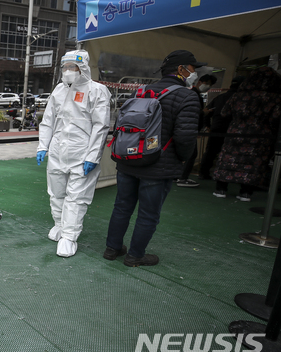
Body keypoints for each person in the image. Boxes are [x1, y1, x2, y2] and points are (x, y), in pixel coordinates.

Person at [104, 50, 202, 267]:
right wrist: (183, 160)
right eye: (193, 68)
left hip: (127, 160)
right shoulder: (187, 96)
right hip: (159, 167)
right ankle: (135, 256)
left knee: (122, 206)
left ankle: (112, 249)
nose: (195, 73)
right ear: (181, 70)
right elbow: (185, 138)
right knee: (148, 214)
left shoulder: (140, 92)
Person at [36, 50, 111, 258]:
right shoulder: (58, 91)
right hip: (58, 152)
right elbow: (48, 121)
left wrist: (93, 156)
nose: (68, 71)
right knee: (56, 192)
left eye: (73, 67)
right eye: (65, 67)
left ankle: (69, 236)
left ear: (83, 68)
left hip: (82, 154)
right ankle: (59, 224)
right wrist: (43, 146)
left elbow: (101, 126)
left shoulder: (97, 91)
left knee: (76, 197)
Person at [213, 67, 281, 201]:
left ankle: (221, 188)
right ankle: (246, 192)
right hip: (260, 135)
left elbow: (224, 113)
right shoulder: (275, 98)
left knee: (228, 159)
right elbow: (276, 118)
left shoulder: (239, 95)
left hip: (235, 132)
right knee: (253, 164)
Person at [175, 74, 217, 187]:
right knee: (191, 154)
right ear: (200, 82)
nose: (207, 86)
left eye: (210, 85)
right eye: (207, 83)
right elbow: (192, 112)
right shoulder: (193, 94)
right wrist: (204, 112)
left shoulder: (194, 94)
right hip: (189, 129)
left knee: (184, 153)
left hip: (187, 128)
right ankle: (182, 178)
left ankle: (177, 176)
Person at [199, 76, 244, 180]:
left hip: (217, 128)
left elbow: (207, 112)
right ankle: (226, 176)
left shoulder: (220, 97)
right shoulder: (241, 99)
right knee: (231, 154)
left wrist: (208, 126)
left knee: (210, 152)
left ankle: (203, 173)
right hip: (234, 130)